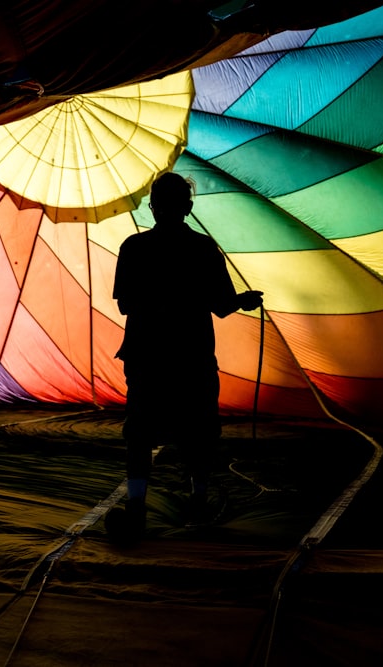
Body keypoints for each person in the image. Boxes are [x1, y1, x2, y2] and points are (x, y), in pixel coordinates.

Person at [106, 171, 262, 542]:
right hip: (192, 355)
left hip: (146, 355)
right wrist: (243, 301)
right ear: (188, 209)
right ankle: (199, 501)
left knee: (140, 433)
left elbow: (126, 304)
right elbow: (222, 306)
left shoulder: (134, 247)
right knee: (199, 431)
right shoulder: (203, 248)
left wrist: (158, 304)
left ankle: (137, 507)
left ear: (152, 207)